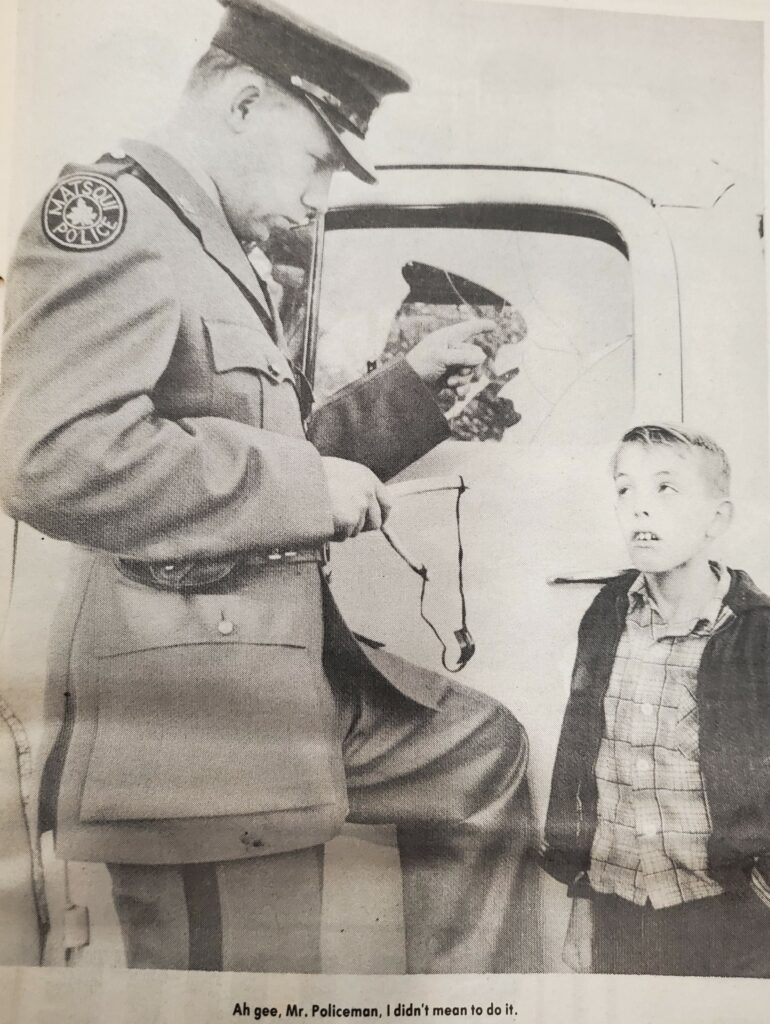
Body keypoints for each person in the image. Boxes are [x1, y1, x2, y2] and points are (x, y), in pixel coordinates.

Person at [0, 0, 541, 973]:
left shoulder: (211, 247)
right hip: (196, 727)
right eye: (316, 160)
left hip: (283, 676)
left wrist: (411, 391)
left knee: (476, 753)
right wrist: (299, 485)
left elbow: (273, 452)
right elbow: (51, 457)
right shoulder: (113, 220)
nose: (317, 195)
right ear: (243, 102)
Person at [542, 423, 770, 977]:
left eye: (665, 489)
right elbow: (580, 762)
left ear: (717, 518)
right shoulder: (606, 615)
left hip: (732, 918)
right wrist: (582, 900)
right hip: (623, 913)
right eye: (625, 489)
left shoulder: (755, 634)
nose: (640, 508)